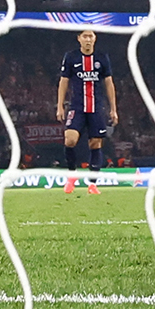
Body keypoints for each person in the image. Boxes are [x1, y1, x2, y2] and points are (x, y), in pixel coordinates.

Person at [55, 29, 117, 195]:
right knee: (70, 140)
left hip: (96, 107)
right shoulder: (71, 57)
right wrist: (59, 105)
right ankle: (72, 175)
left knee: (95, 144)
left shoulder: (102, 58)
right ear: (79, 39)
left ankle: (93, 184)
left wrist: (113, 109)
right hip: (77, 107)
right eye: (85, 36)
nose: (88, 39)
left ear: (95, 39)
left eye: (91, 36)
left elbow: (109, 84)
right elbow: (63, 81)